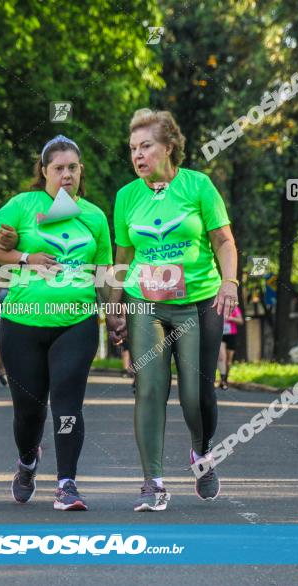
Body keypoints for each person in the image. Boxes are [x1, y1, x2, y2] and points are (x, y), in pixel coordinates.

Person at [0, 134, 120, 511]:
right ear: (43, 172)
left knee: (68, 403)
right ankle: (28, 462)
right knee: (28, 410)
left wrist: (116, 313)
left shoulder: (93, 216)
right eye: (58, 168)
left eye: (73, 167)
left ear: (80, 171)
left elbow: (104, 272)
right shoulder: (23, 205)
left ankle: (67, 483)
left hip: (77, 322)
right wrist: (24, 257)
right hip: (21, 324)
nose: (66, 174)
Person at [109, 109, 238, 511]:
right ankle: (153, 482)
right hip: (146, 301)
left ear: (168, 147)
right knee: (149, 387)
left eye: (146, 146)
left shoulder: (198, 186)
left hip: (200, 300)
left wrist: (230, 282)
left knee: (196, 394)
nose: (138, 155)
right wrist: (113, 309)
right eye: (133, 149)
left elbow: (223, 240)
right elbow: (123, 256)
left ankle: (201, 453)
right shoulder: (126, 196)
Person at [217, 305, 243, 390]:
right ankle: (223, 380)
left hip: (231, 335)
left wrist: (230, 318)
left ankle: (226, 378)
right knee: (221, 357)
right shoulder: (217, 306)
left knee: (228, 361)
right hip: (220, 334)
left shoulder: (234, 307)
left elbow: (241, 321)